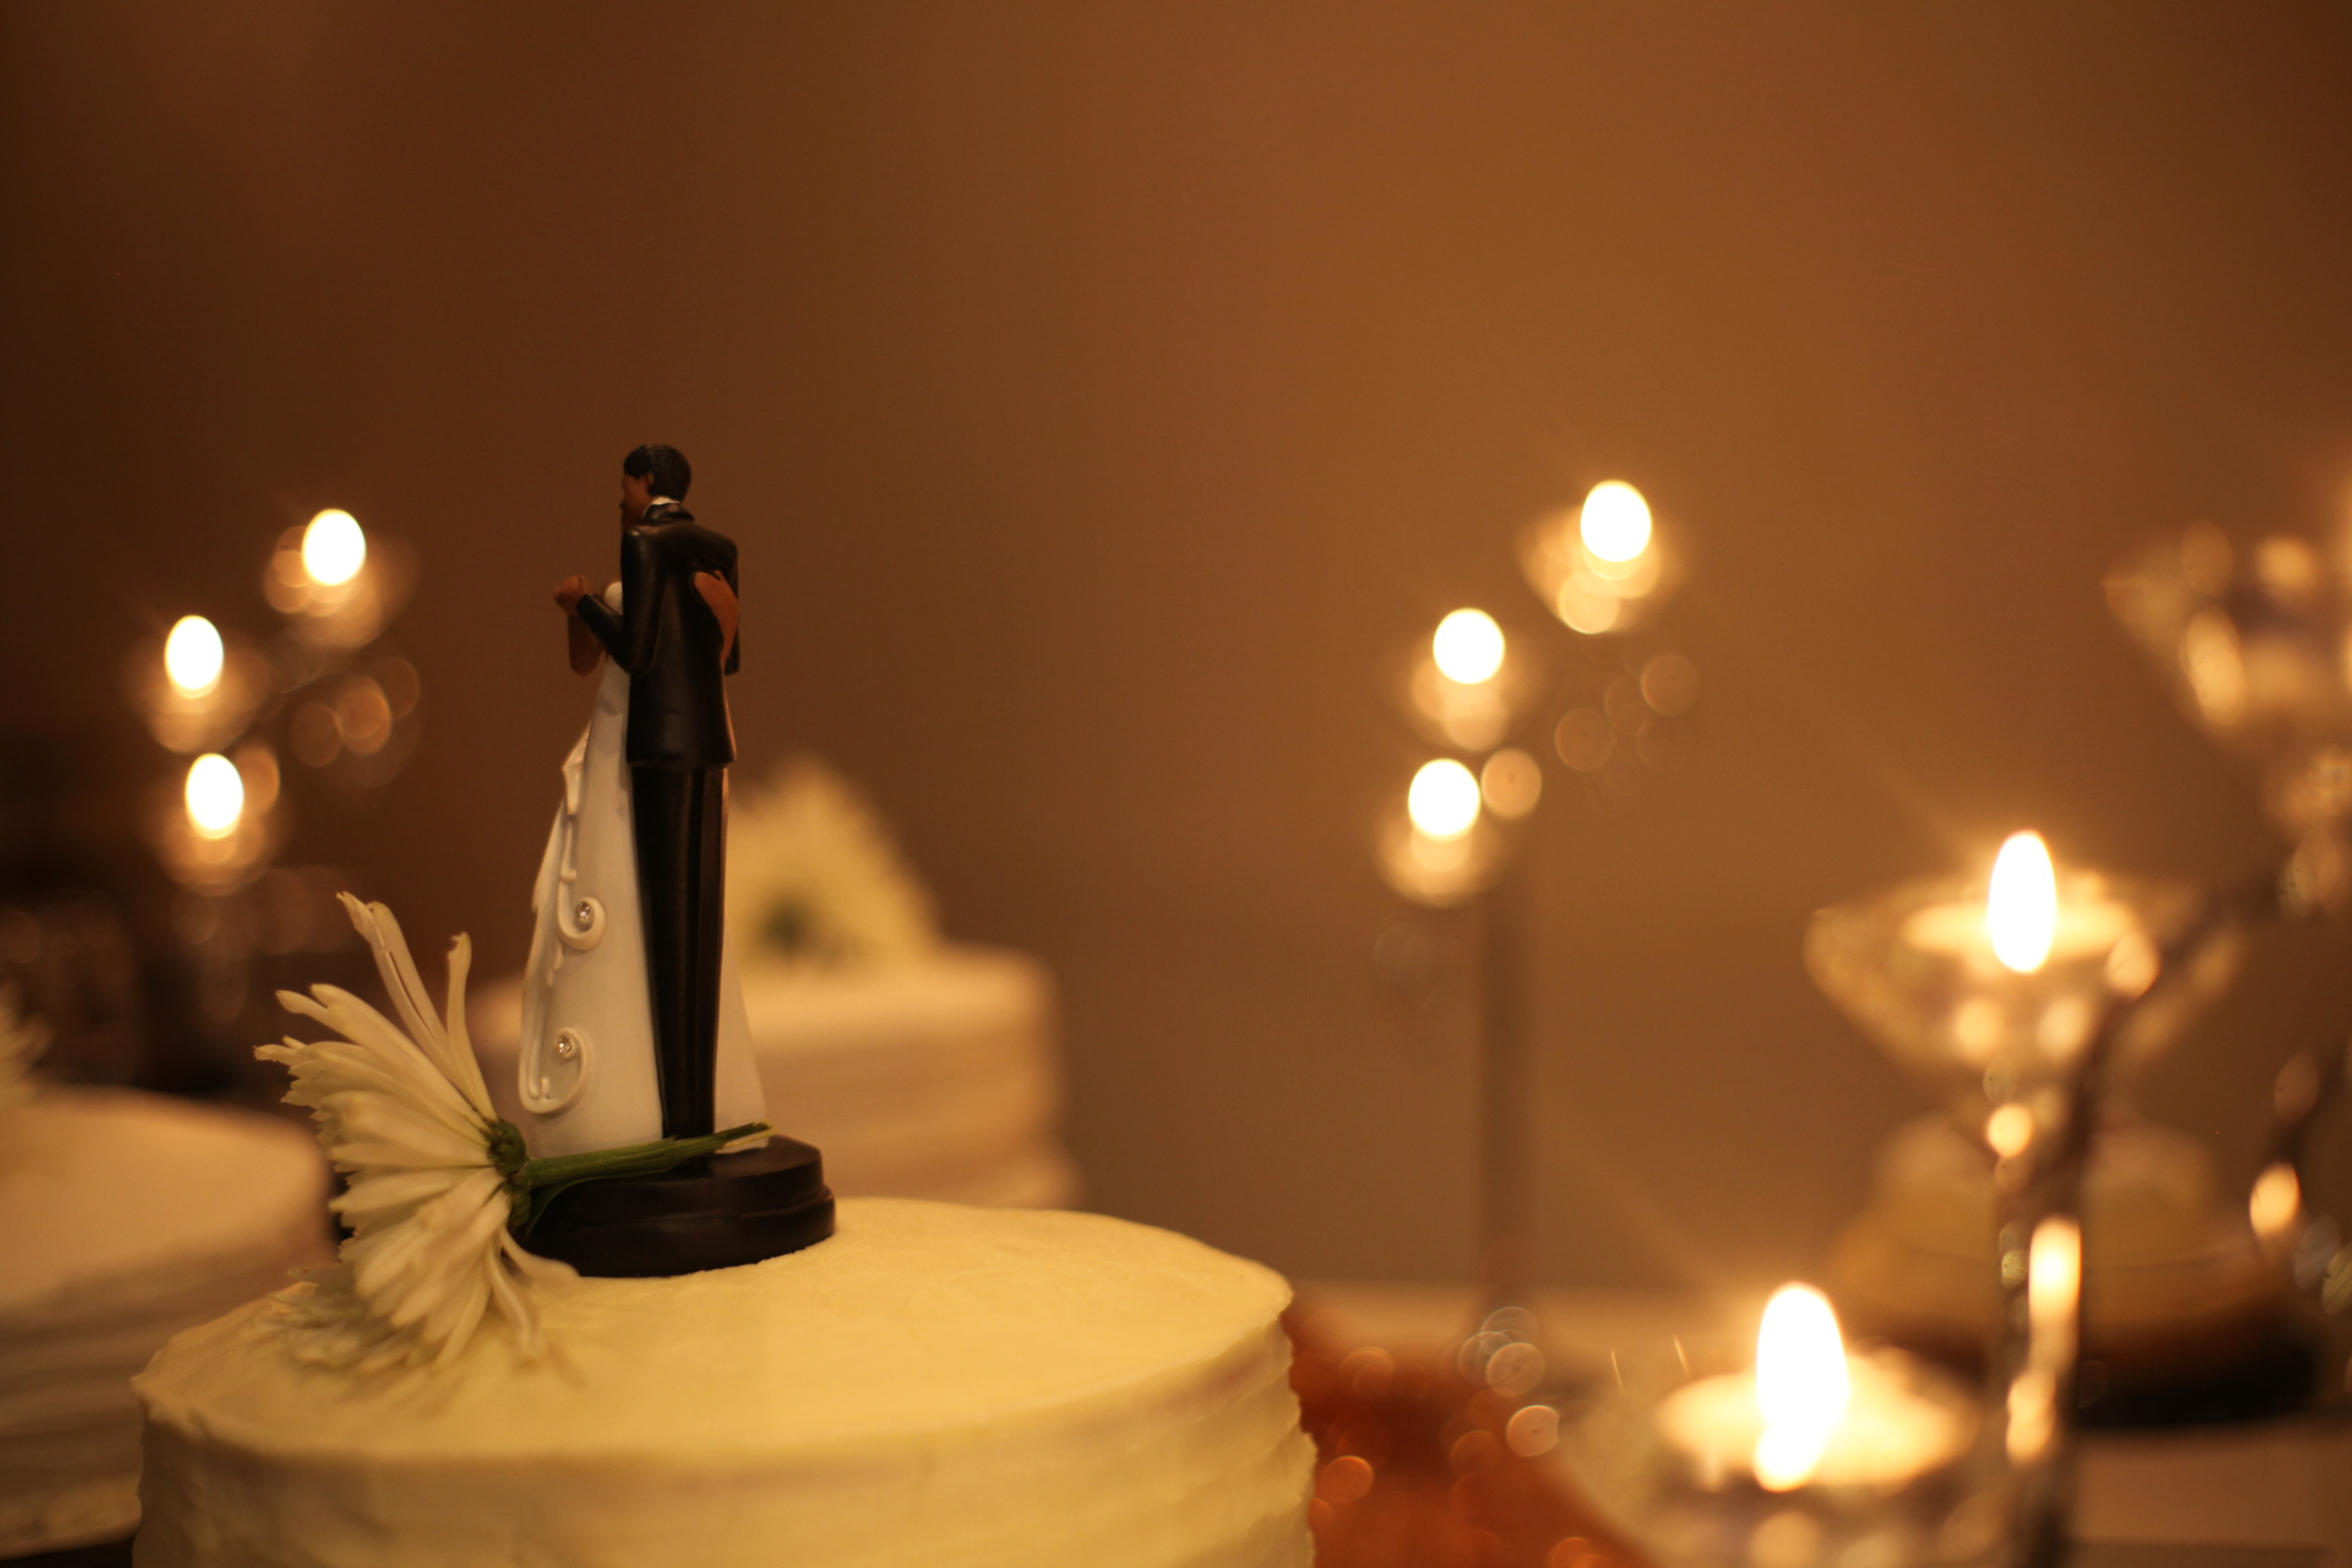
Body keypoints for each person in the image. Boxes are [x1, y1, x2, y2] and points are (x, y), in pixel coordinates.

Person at [545, 444, 751, 1143]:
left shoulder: (643, 543)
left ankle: (680, 1122)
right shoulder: (720, 548)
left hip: (658, 742)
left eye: (624, 484)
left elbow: (636, 652)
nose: (620, 498)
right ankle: (699, 1112)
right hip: (710, 741)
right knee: (702, 918)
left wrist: (580, 603)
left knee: (665, 918)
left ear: (646, 482)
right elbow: (730, 657)